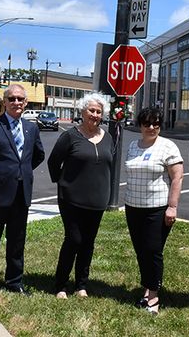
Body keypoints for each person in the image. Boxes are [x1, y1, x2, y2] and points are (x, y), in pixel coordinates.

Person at [0, 84, 45, 304]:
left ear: (25, 103)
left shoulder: (31, 128)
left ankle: (14, 281)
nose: (16, 102)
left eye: (20, 99)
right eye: (11, 98)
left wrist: (21, 171)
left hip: (21, 195)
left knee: (16, 241)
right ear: (4, 102)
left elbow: (37, 155)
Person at [47, 92, 113, 299]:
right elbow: (53, 162)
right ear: (82, 112)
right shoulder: (70, 136)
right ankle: (60, 285)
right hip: (71, 199)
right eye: (91, 110)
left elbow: (109, 164)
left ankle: (81, 284)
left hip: (97, 200)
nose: (94, 114)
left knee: (88, 242)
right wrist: (64, 182)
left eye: (98, 112)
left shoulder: (108, 137)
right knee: (73, 240)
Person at [124, 107, 183, 314]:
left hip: (157, 209)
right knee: (141, 251)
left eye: (156, 123)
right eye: (147, 123)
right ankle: (146, 289)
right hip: (133, 207)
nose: (152, 127)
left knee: (153, 251)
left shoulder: (168, 146)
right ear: (140, 125)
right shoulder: (133, 145)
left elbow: (177, 178)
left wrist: (172, 207)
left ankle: (154, 296)